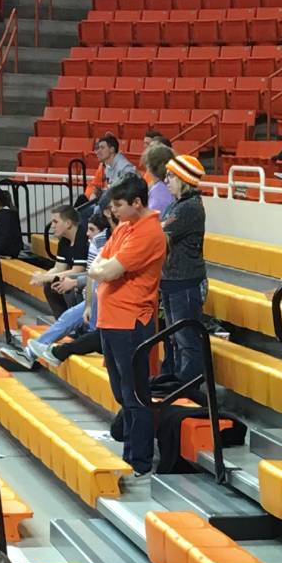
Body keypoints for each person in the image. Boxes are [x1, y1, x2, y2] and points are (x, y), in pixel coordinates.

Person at [89, 173, 167, 475]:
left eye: (119, 205)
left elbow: (108, 270)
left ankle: (140, 461)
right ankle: (130, 454)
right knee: (123, 393)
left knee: (135, 395)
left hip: (131, 321)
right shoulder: (125, 226)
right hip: (111, 320)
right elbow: (100, 261)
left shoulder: (149, 233)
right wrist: (104, 269)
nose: (114, 211)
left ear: (137, 203)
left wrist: (104, 269)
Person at [157, 153, 210, 390]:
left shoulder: (188, 208)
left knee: (186, 337)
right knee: (173, 335)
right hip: (172, 279)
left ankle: (189, 386)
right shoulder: (176, 204)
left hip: (185, 281)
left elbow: (157, 232)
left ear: (183, 179)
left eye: (171, 175)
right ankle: (177, 378)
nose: (166, 180)